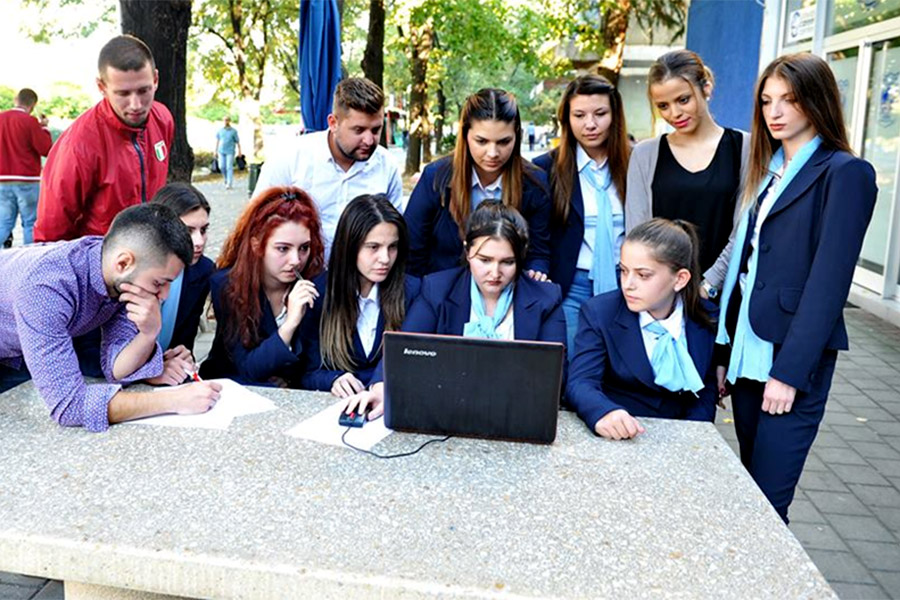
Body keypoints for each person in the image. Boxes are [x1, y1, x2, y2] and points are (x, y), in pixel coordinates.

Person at [714, 53, 876, 524]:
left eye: (789, 99)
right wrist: (724, 351)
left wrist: (789, 373)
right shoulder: (766, 169)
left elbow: (828, 284)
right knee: (750, 495)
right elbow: (746, 268)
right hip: (747, 352)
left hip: (790, 360)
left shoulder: (845, 173)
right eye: (767, 101)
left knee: (768, 505)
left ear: (816, 100)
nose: (775, 112)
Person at [0, 204, 222, 432]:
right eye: (159, 283)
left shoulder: (119, 275)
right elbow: (69, 405)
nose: (164, 295)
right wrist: (173, 401)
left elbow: (116, 369)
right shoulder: (46, 289)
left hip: (15, 350)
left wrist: (149, 333)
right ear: (123, 263)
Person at [344, 201, 566, 420]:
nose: (495, 272)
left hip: (515, 413)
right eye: (485, 260)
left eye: (507, 262)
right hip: (445, 409)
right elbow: (403, 348)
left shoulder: (545, 298)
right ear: (467, 250)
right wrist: (381, 387)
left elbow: (555, 375)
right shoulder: (438, 289)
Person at [567, 219, 718, 440]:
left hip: (684, 435)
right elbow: (581, 381)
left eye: (643, 275)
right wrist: (604, 412)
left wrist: (696, 431)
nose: (628, 284)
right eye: (623, 271)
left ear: (680, 279)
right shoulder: (601, 312)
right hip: (621, 432)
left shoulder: (706, 317)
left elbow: (706, 386)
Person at [626, 50, 750, 300]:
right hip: (662, 297)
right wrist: (665, 290)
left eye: (683, 100)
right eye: (663, 106)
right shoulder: (645, 154)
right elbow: (638, 232)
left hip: (722, 296)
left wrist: (709, 285)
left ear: (706, 87)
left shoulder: (745, 146)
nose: (675, 113)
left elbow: (744, 228)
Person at [34, 34, 174, 242]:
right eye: (123, 94)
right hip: (101, 256)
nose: (136, 105)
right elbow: (51, 231)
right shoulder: (78, 144)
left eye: (143, 90)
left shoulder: (163, 118)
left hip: (152, 248)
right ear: (102, 87)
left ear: (155, 80)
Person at [404, 88, 552, 280]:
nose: (493, 153)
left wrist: (536, 272)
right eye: (482, 141)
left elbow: (539, 253)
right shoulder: (436, 177)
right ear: (465, 135)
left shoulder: (534, 183)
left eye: (504, 142)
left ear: (517, 136)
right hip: (442, 289)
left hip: (507, 289)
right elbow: (412, 249)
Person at [252, 77, 402, 256]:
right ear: (333, 123)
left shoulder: (387, 167)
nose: (369, 140)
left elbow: (395, 231)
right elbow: (256, 222)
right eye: (359, 130)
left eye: (376, 130)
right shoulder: (290, 158)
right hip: (298, 270)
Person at [533, 75, 630, 350]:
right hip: (571, 286)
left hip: (627, 284)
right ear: (566, 119)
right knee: (574, 364)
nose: (590, 124)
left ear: (615, 116)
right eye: (579, 115)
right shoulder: (545, 169)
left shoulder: (636, 163)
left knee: (620, 365)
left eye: (600, 114)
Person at [200, 186, 325, 386]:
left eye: (304, 248)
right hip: (234, 389)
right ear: (256, 245)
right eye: (283, 249)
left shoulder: (314, 285)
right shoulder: (228, 285)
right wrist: (290, 324)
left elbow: (313, 365)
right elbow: (249, 368)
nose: (296, 260)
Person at [301, 194, 420, 396]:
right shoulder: (320, 293)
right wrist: (333, 379)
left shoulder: (413, 291)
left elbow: (417, 365)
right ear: (349, 246)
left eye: (392, 247)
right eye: (373, 247)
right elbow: (306, 373)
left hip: (389, 404)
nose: (385, 258)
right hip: (339, 405)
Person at [146, 183, 215, 385]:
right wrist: (149, 370)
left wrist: (182, 356)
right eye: (188, 231)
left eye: (203, 230)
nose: (199, 241)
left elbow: (185, 340)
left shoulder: (203, 270)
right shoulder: (130, 267)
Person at [0, 88, 53, 247]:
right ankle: (29, 256)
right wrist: (44, 128)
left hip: (2, 179)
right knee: (30, 222)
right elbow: (46, 149)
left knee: (4, 222)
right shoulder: (30, 122)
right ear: (32, 105)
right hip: (27, 179)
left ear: (16, 100)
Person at [215, 116, 241, 189]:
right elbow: (217, 141)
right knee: (221, 166)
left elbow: (237, 142)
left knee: (229, 167)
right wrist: (215, 151)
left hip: (230, 151)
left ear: (229, 121)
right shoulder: (220, 131)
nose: (225, 122)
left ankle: (229, 183)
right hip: (221, 151)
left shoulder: (233, 131)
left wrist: (239, 151)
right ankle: (226, 179)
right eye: (224, 120)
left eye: (227, 120)